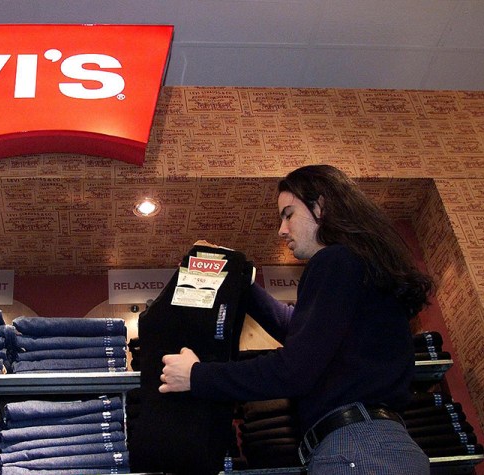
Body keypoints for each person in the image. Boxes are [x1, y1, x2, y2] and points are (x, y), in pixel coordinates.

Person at [159, 164, 434, 474]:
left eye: (288, 214)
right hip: (380, 447)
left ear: (320, 205)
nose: (282, 229)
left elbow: (294, 369)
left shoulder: (334, 260)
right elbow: (301, 332)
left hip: (357, 449)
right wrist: (241, 279)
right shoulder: (361, 267)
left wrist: (196, 376)